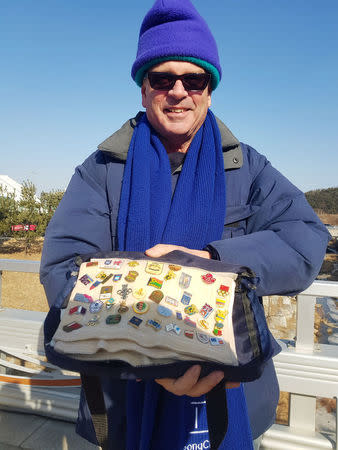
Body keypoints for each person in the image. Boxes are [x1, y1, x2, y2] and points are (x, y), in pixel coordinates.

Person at [40, 1, 330, 449]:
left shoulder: (247, 167)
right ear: (143, 89)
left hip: (233, 393)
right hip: (125, 392)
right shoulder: (101, 170)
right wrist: (151, 360)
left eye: (193, 79)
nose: (178, 91)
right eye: (162, 78)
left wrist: (213, 261)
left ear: (209, 90)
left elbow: (305, 239)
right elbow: (63, 268)